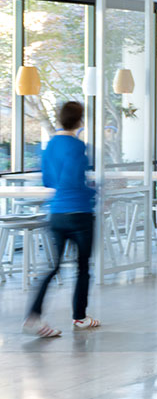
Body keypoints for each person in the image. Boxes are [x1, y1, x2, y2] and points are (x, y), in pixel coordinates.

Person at [25, 100, 96, 337]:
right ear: (80, 120)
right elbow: (74, 181)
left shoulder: (49, 146)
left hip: (56, 214)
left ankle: (33, 317)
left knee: (53, 267)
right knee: (83, 267)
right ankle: (80, 317)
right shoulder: (77, 147)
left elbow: (49, 181)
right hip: (79, 214)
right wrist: (95, 190)